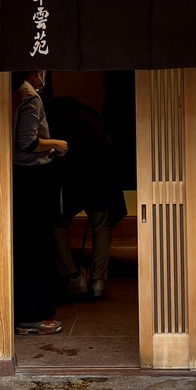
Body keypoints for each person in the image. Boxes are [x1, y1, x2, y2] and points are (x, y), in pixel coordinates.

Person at [48, 95, 127, 300]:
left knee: (57, 224)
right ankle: (98, 281)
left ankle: (73, 277)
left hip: (71, 178)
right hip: (101, 176)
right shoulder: (92, 118)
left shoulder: (54, 117)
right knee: (101, 226)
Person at [12, 70, 68, 334]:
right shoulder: (30, 97)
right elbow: (28, 142)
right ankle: (32, 316)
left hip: (19, 177)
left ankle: (23, 314)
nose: (43, 77)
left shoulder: (12, 93)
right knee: (36, 247)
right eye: (42, 71)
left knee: (24, 246)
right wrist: (57, 143)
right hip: (32, 176)